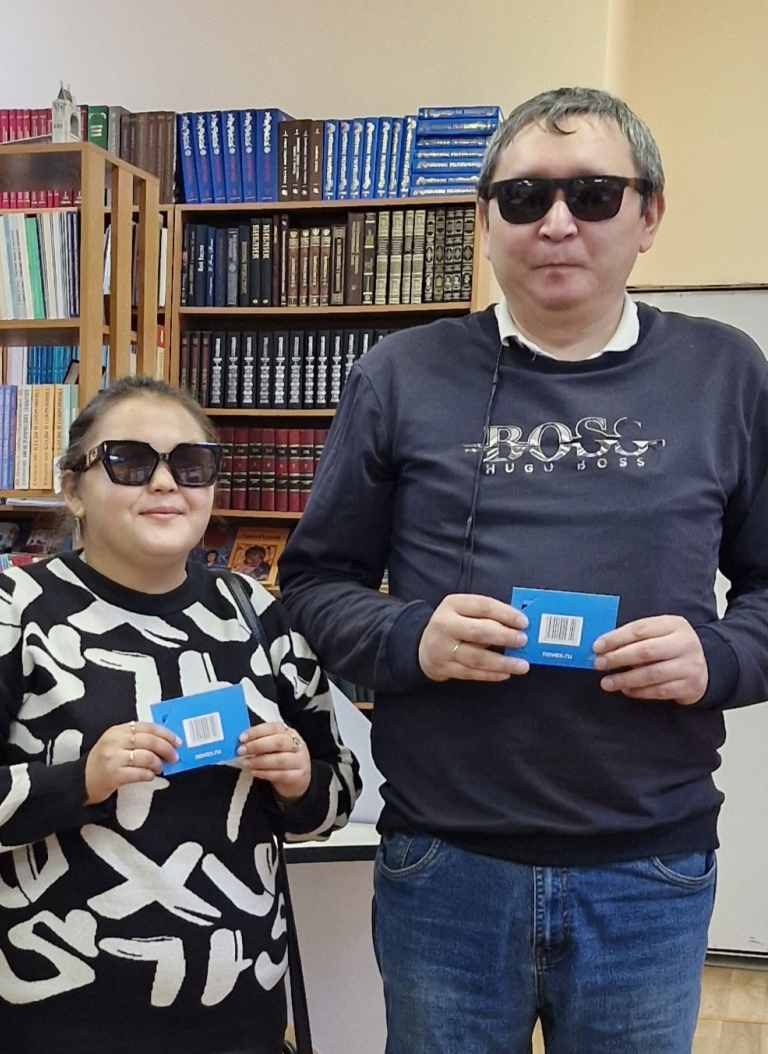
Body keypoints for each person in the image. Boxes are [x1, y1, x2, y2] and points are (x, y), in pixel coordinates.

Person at [277, 87, 768, 1053]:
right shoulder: (398, 374)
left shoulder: (727, 372)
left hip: (649, 869)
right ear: (485, 218)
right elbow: (312, 586)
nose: (557, 222)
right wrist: (410, 636)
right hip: (445, 864)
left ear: (648, 216)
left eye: (593, 194)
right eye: (525, 196)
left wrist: (716, 657)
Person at [0, 375, 360, 1054]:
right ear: (73, 489)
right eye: (130, 462)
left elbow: (338, 792)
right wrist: (79, 779)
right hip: (57, 1019)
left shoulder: (256, 614)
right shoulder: (4, 617)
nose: (165, 483)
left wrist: (300, 781)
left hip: (238, 1012)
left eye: (192, 464)